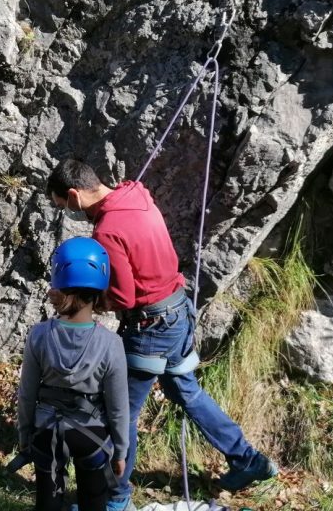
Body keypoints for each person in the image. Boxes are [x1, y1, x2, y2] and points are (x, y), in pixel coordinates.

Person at [46, 160, 278, 510]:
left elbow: (124, 297)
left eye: (63, 205)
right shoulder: (135, 192)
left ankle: (115, 498)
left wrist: (86, 303)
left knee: (118, 411)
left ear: (75, 195)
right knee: (185, 389)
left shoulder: (107, 230)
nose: (66, 212)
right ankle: (248, 460)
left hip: (150, 328)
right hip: (179, 311)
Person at [17, 236, 129, 511]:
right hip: (90, 434)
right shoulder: (111, 344)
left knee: (48, 502)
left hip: (46, 430)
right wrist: (121, 450)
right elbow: (118, 407)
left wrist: (24, 437)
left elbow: (27, 394)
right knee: (93, 500)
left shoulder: (39, 335)